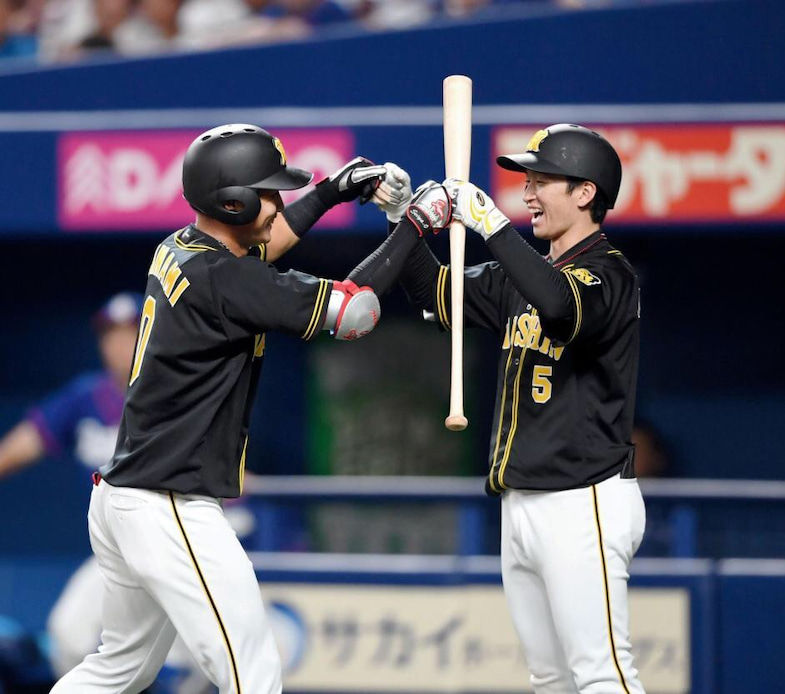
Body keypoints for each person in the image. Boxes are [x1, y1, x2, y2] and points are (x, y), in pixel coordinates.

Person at [49, 122, 449, 694]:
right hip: (169, 503)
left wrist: (332, 191)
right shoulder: (227, 279)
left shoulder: (182, 246)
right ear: (231, 201)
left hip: (125, 498)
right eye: (267, 193)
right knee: (252, 671)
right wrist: (413, 226)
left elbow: (265, 245)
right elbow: (354, 311)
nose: (277, 203)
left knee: (118, 669)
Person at [395, 124, 646, 693]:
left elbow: (559, 306)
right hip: (522, 499)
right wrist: (402, 220)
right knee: (549, 679)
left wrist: (491, 224)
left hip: (583, 497)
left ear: (585, 192)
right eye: (526, 181)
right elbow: (433, 291)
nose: (527, 192)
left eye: (541, 181)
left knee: (601, 675)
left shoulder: (610, 273)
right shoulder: (520, 276)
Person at [0, 291, 141, 677]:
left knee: (196, 655)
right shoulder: (85, 398)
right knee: (69, 637)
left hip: (180, 541)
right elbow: (19, 447)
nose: (119, 345)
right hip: (117, 552)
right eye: (110, 335)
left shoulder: (178, 392)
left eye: (130, 333)